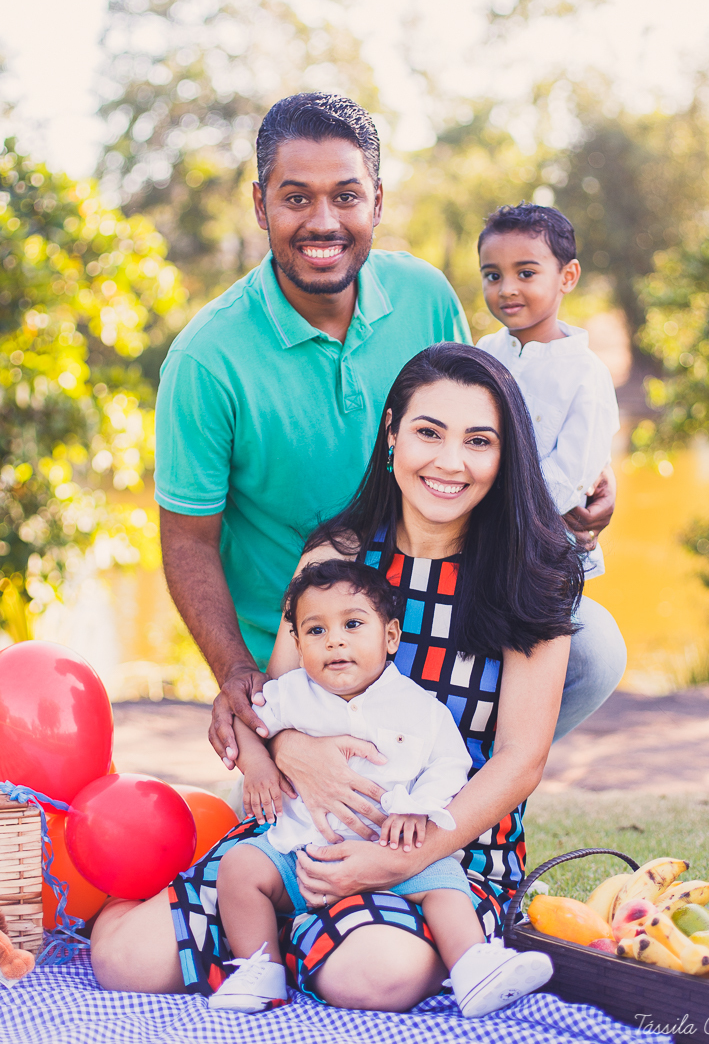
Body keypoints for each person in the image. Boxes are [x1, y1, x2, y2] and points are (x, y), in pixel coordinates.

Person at [90, 344, 615, 1012]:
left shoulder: (533, 576)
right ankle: (267, 929)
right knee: (124, 963)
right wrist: (292, 750)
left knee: (381, 976)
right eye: (429, 432)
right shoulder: (336, 554)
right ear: (392, 433)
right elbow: (275, 699)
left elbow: (520, 758)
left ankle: (316, 941)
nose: (450, 462)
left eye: (478, 441)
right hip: (302, 827)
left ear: (504, 455)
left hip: (445, 842)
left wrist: (404, 857)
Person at [153, 92, 472, 768]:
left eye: (346, 197)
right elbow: (187, 542)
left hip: (433, 616)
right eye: (297, 198)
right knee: (290, 857)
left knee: (590, 643)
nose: (323, 222)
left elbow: (483, 447)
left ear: (377, 202)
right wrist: (239, 675)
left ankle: (469, 774)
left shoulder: (427, 297)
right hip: (302, 656)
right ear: (261, 203)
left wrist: (578, 489)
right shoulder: (207, 358)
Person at [208, 558, 552, 1018]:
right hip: (302, 858)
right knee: (240, 868)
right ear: (297, 643)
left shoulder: (419, 708)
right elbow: (246, 721)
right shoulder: (290, 694)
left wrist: (419, 809)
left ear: (389, 636)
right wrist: (256, 763)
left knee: (447, 885)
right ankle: (260, 967)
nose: (334, 640)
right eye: (315, 631)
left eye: (352, 624)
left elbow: (451, 764)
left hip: (393, 852)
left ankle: (473, 967)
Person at [476, 202, 620, 578]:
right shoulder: (482, 353)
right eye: (492, 276)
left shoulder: (587, 375)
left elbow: (569, 480)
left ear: (567, 277)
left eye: (526, 273)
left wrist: (485, 502)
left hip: (547, 560)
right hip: (476, 546)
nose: (507, 289)